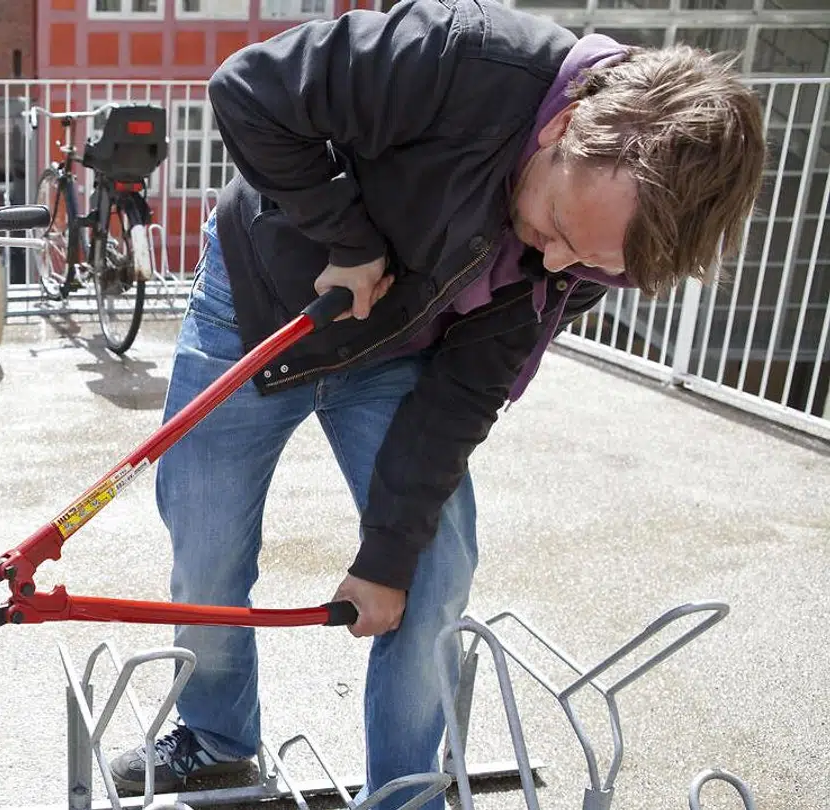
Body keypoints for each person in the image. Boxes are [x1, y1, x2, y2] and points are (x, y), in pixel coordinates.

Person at [108, 0, 766, 806]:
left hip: (399, 349)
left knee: (432, 567)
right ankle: (215, 741)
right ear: (564, 128)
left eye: (588, 264)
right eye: (558, 224)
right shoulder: (461, 56)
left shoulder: (592, 251)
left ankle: (407, 790)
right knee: (207, 546)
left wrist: (385, 559)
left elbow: (465, 394)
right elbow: (249, 89)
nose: (555, 260)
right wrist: (349, 241)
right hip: (262, 308)